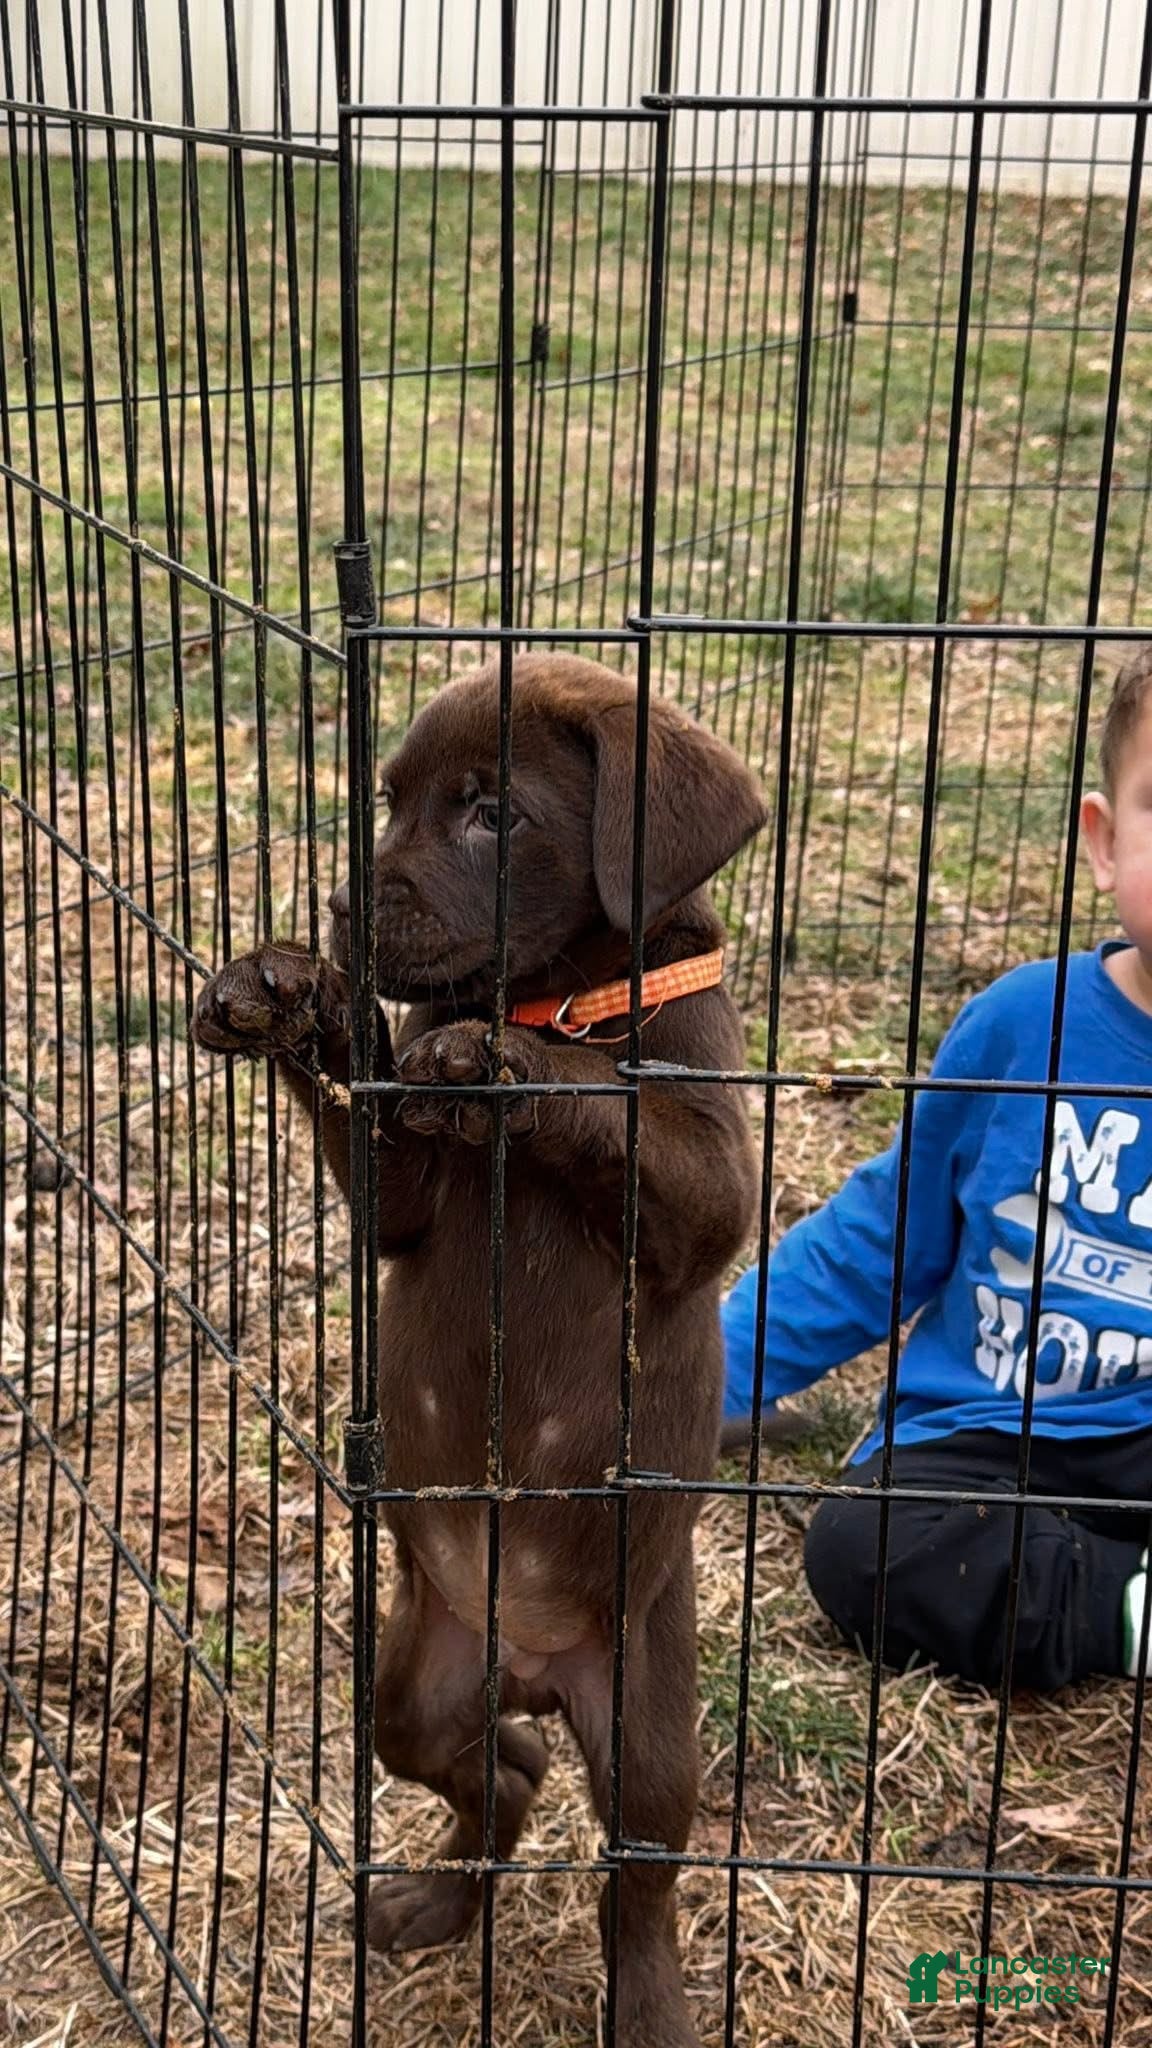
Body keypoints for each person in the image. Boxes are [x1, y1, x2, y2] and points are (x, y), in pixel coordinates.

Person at [720, 646, 1152, 1692]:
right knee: (860, 1541)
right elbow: (882, 1236)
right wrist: (699, 1373)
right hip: (982, 1438)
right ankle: (1128, 1610)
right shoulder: (1021, 1026)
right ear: (1102, 840)